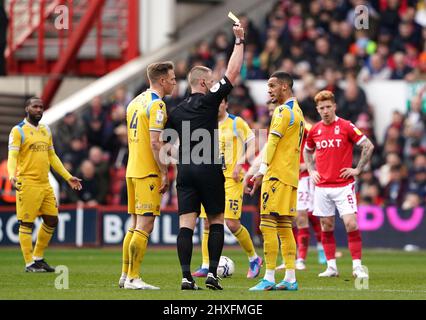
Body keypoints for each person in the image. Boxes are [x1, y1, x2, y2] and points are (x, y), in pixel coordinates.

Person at [163, 23, 245, 291]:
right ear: (203, 83)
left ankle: (186, 278)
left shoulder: (174, 111)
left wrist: (165, 170)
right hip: (209, 168)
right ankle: (212, 275)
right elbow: (232, 72)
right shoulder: (210, 100)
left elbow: (164, 143)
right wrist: (239, 41)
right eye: (210, 81)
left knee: (186, 224)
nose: (212, 84)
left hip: (185, 170)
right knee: (216, 221)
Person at [303, 90, 374, 279]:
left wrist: (357, 169)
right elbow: (307, 152)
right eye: (321, 108)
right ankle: (331, 267)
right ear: (317, 110)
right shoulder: (315, 130)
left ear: (334, 106)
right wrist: (311, 170)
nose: (325, 111)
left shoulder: (346, 126)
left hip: (344, 185)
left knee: (351, 223)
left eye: (328, 107)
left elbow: (368, 146)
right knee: (326, 225)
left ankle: (357, 266)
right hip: (322, 186)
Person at [7, 97, 82, 272]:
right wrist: (12, 175)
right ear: (27, 108)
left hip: (44, 183)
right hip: (27, 182)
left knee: (51, 219)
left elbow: (52, 157)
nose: (39, 110)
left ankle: (38, 257)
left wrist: (67, 177)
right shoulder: (18, 131)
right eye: (35, 107)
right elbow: (12, 156)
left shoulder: (46, 130)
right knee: (26, 223)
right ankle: (29, 263)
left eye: (41, 107)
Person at [119, 61, 176, 290]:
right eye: (172, 78)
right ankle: (134, 278)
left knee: (134, 225)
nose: (174, 82)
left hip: (132, 169)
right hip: (147, 171)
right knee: (145, 225)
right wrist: (164, 172)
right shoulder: (157, 105)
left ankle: (125, 275)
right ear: (162, 80)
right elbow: (155, 141)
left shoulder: (135, 102)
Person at [192, 98, 262, 279]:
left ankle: (254, 258)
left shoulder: (236, 122)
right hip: (209, 180)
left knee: (231, 223)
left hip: (231, 179)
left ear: (225, 104)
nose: (216, 106)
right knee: (207, 221)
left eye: (219, 103)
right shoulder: (205, 123)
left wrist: (240, 163)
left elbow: (253, 143)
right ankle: (206, 264)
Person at [247, 71, 305, 291]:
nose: (269, 89)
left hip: (277, 175)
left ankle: (269, 276)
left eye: (272, 85)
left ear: (284, 87)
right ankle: (290, 277)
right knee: (283, 226)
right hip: (290, 177)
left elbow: (272, 144)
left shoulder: (282, 111)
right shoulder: (297, 111)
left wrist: (261, 171)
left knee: (266, 224)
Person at [276, 121, 326, 272]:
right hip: (287, 177)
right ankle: (291, 257)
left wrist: (308, 162)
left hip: (304, 178)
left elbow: (322, 140)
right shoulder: (278, 125)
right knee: (289, 218)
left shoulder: (303, 124)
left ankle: (301, 259)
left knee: (303, 216)